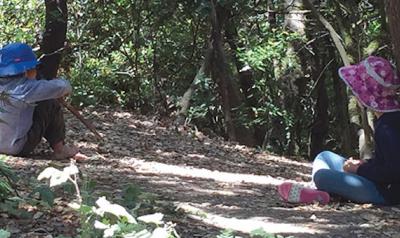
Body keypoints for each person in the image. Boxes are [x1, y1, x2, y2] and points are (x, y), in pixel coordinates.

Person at [278, 55, 400, 205]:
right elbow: (387, 160)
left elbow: (394, 172)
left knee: (322, 176)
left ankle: (320, 194)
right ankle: (327, 193)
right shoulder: (389, 119)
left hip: (385, 194)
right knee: (325, 157)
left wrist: (359, 170)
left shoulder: (387, 127)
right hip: (380, 184)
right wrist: (364, 164)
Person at [0, 42, 86, 161]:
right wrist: (37, 80)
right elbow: (64, 87)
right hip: (15, 148)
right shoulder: (26, 89)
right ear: (28, 69)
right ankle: (60, 149)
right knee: (49, 103)